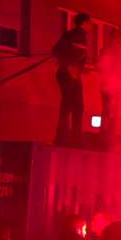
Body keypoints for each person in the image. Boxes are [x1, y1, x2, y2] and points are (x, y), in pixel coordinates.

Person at [52, 12, 92, 146]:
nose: (91, 26)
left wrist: (80, 68)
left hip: (73, 76)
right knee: (70, 105)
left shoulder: (81, 37)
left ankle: (72, 137)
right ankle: (65, 138)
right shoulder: (74, 34)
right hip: (67, 75)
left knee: (76, 106)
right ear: (84, 23)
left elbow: (76, 56)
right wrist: (69, 65)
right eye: (89, 23)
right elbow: (56, 50)